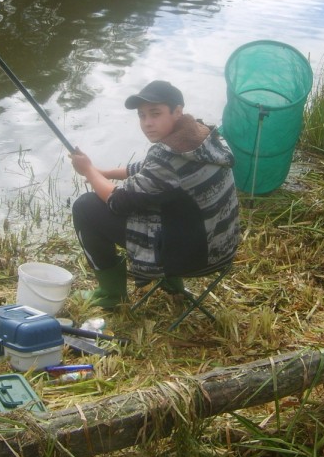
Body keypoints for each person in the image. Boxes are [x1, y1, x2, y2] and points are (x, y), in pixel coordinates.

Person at [70, 80, 240, 309]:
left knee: (85, 206)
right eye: (142, 116)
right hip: (223, 248)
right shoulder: (202, 137)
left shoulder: (167, 157)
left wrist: (89, 171)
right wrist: (106, 172)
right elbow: (151, 169)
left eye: (155, 114)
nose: (147, 123)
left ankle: (111, 294)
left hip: (196, 260)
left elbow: (118, 202)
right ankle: (171, 284)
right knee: (159, 200)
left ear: (177, 111)